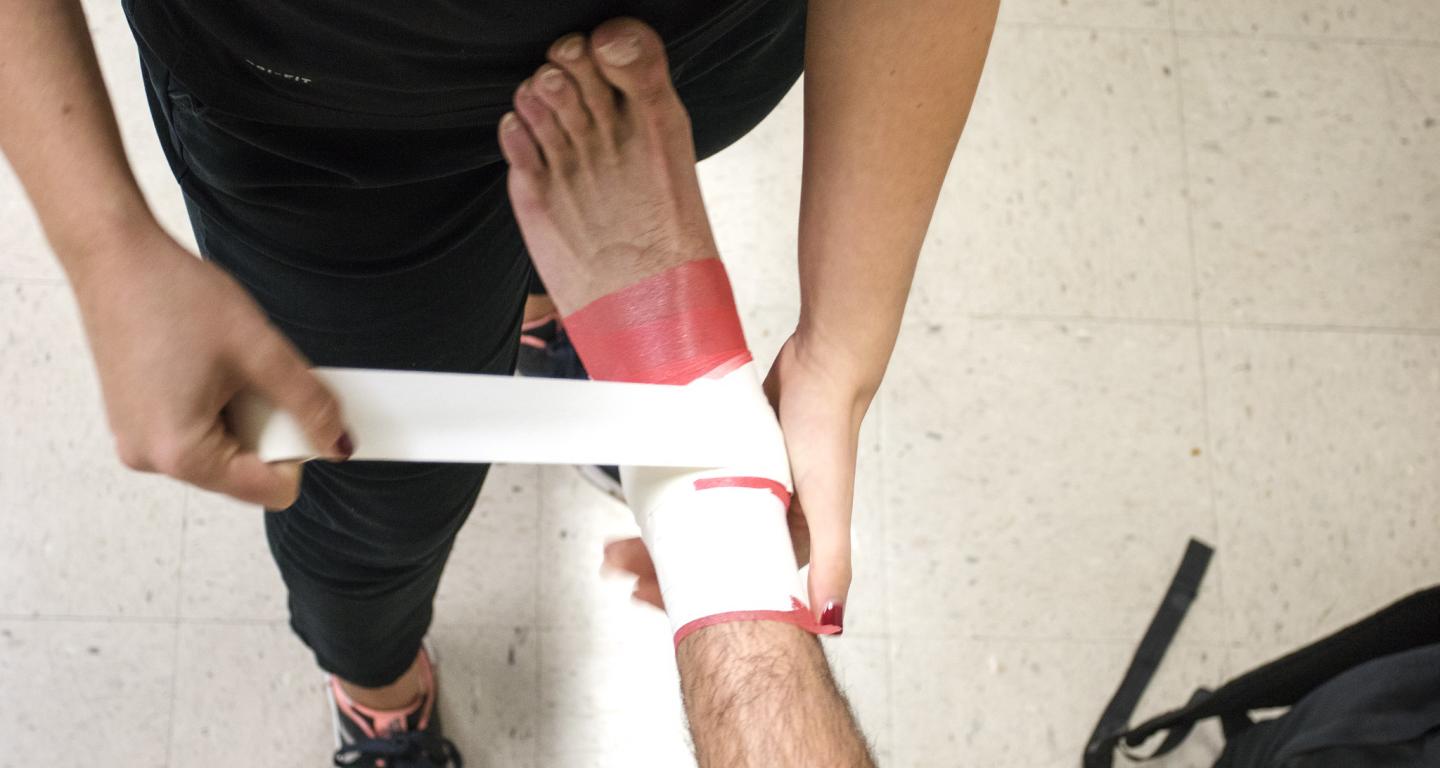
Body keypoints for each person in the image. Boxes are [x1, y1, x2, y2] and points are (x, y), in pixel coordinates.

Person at [0, 0, 998, 764]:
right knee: (372, 503)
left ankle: (534, 323)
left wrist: (840, 351)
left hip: (683, 41)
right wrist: (100, 236)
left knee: (552, 248)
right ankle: (379, 688)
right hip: (326, 107)